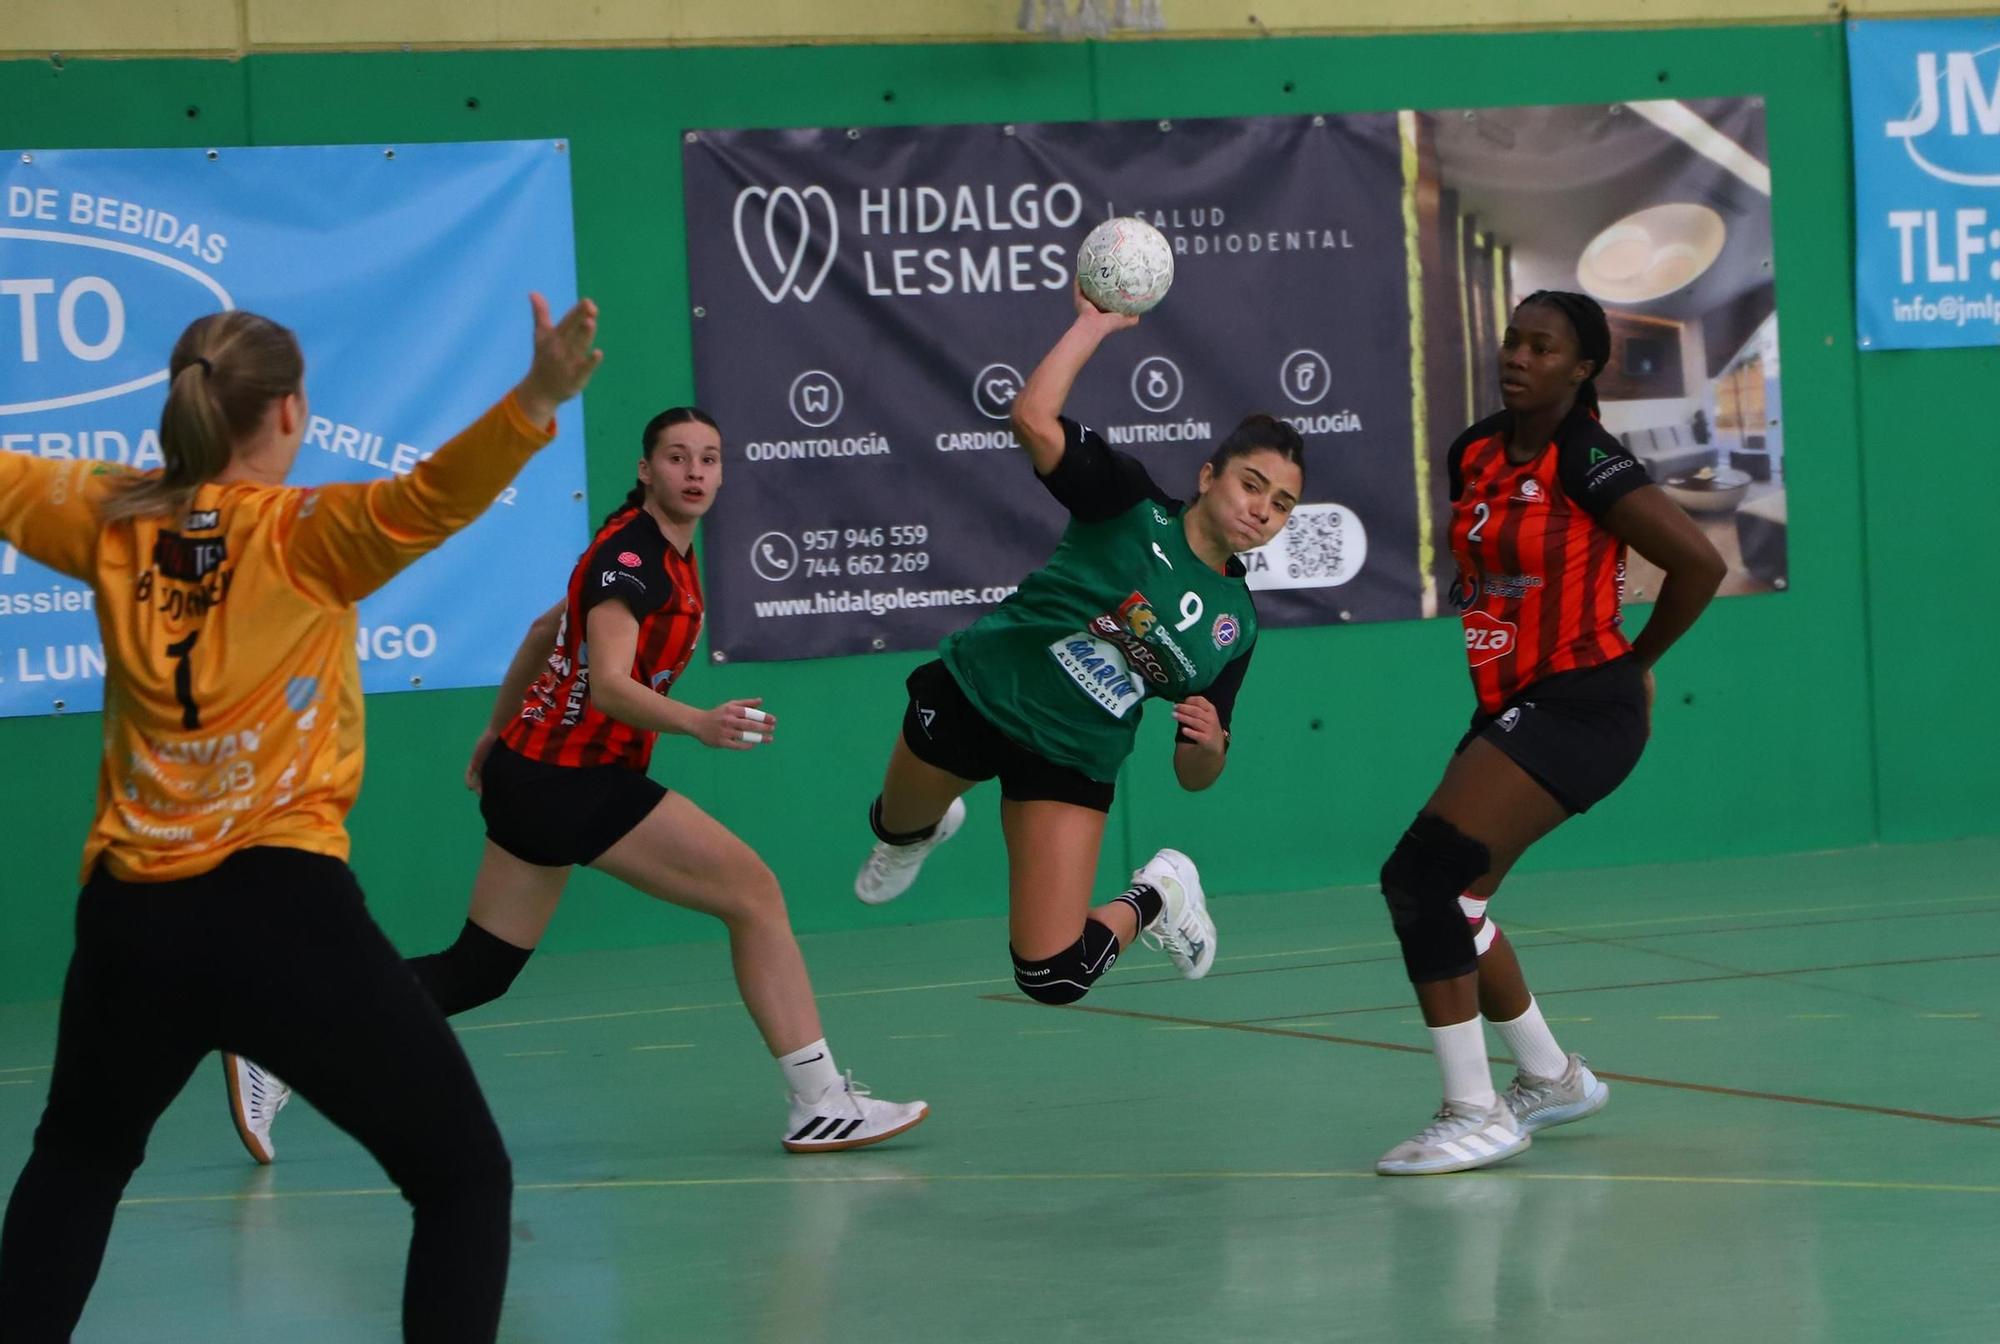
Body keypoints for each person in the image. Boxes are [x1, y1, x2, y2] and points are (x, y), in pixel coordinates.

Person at [0, 294, 602, 1341]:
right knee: (460, 1180)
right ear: (287, 412)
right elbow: (430, 498)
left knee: (80, 1162)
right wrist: (538, 397)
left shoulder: (105, 517)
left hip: (130, 923)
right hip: (282, 914)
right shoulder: (308, 536)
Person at [230, 406, 928, 1161]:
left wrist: (496, 734)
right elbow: (609, 687)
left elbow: (540, 635)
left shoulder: (649, 551)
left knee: (479, 970)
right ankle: (820, 1102)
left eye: (709, 459)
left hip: (532, 775)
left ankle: (280, 1034)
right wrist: (697, 722)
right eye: (676, 458)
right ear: (644, 468)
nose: (694, 473)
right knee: (754, 896)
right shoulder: (630, 560)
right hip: (574, 781)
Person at [852, 285, 1303, 1009]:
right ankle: (914, 832)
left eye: (1282, 504)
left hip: (1070, 757)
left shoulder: (1235, 624)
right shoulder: (1126, 504)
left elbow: (1195, 774)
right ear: (1209, 476)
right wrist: (1093, 325)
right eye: (1253, 485)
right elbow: (1032, 418)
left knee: (1054, 976)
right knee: (897, 821)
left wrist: (1211, 743)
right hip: (980, 694)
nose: (1263, 510)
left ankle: (1160, 893)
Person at [1374, 290, 1725, 1176]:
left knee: (1421, 874)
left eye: (1543, 347)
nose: (1519, 357)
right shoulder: (1476, 451)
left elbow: (1700, 561)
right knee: (1460, 901)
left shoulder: (1588, 457)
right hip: (1513, 702)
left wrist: (1635, 657)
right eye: (1512, 341)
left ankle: (1474, 1111)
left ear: (1583, 369)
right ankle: (1551, 1077)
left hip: (1584, 706)